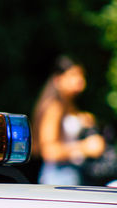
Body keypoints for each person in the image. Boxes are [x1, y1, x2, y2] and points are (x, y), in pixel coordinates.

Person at [32, 56, 105, 185]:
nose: (80, 81)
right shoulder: (54, 107)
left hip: (74, 173)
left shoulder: (70, 105)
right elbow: (49, 151)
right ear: (58, 79)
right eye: (73, 75)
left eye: (81, 76)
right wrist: (85, 147)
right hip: (59, 175)